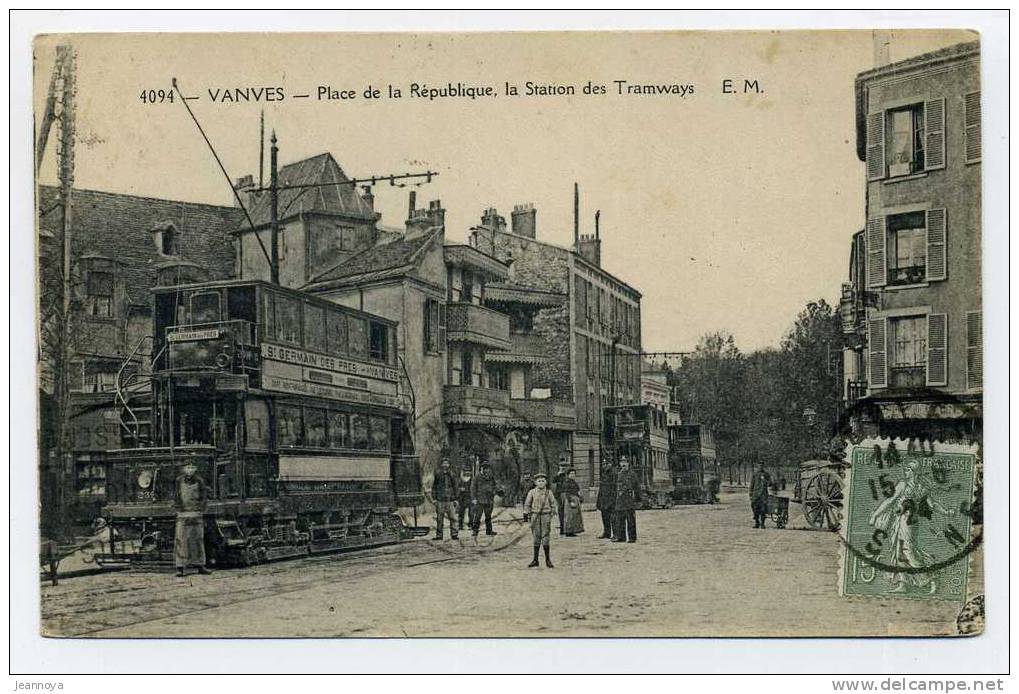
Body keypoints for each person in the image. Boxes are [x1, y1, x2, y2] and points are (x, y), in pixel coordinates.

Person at [174, 463, 211, 577]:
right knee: (181, 540)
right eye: (187, 467)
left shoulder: (200, 481)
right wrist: (178, 509)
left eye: (192, 467)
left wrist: (201, 509)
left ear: (195, 469)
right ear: (183, 469)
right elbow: (176, 496)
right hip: (183, 513)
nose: (190, 470)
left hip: (196, 513)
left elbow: (204, 496)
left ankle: (200, 565)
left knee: (198, 539)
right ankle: (180, 567)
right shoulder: (179, 481)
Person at [522, 472, 558, 568]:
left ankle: (548, 560)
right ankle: (535, 560)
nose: (541, 482)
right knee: (536, 537)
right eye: (539, 481)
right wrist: (526, 513)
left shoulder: (549, 492)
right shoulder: (532, 492)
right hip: (535, 516)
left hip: (546, 516)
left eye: (543, 481)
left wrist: (553, 513)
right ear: (535, 482)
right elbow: (527, 504)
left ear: (546, 482)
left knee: (545, 537)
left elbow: (553, 504)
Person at [612, 456, 641, 543]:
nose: (623, 464)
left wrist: (638, 499)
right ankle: (621, 537)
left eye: (625, 462)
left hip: (629, 499)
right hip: (620, 499)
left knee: (630, 519)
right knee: (619, 519)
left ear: (628, 463)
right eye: (622, 462)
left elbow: (637, 487)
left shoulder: (632, 474)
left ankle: (632, 537)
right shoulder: (619, 474)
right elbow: (615, 486)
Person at [431, 458, 459, 540]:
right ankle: (439, 535)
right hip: (440, 500)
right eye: (444, 463)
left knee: (453, 518)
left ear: (449, 465)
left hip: (450, 500)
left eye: (447, 463)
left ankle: (454, 534)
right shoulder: (438, 474)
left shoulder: (452, 475)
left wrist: (456, 499)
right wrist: (434, 498)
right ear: (441, 465)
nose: (445, 465)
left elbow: (456, 487)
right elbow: (434, 487)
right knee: (440, 519)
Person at [470, 461, 500, 537]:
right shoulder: (477, 477)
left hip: (489, 499)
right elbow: (473, 488)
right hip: (479, 500)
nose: (486, 470)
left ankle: (489, 531)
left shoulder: (491, 477)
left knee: (488, 516)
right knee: (477, 516)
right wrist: (473, 498)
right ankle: (475, 531)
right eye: (484, 468)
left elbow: (495, 485)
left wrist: (496, 491)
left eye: (487, 468)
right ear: (481, 468)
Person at [596, 461, 617, 539]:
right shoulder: (603, 474)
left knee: (613, 518)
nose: (605, 466)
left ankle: (615, 533)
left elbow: (615, 488)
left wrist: (613, 500)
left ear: (610, 464)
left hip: (611, 499)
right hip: (603, 500)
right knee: (604, 516)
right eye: (603, 464)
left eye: (606, 464)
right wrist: (599, 501)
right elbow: (601, 489)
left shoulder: (614, 474)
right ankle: (607, 532)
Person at [561, 468, 585, 536]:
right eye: (571, 474)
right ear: (568, 475)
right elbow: (567, 493)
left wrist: (580, 497)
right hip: (570, 499)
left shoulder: (574, 482)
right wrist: (570, 501)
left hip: (575, 499)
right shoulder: (566, 483)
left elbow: (577, 491)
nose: (572, 475)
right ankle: (568, 531)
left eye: (573, 474)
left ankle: (573, 530)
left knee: (575, 515)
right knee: (569, 516)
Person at [749, 463, 772, 529]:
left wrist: (765, 481)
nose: (760, 467)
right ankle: (757, 522)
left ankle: (762, 524)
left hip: (763, 494)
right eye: (759, 466)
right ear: (757, 466)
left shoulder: (766, 474)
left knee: (763, 509)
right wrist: (750, 493)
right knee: (754, 507)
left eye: (762, 466)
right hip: (755, 494)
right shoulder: (755, 474)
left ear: (763, 467)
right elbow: (752, 484)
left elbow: (770, 483)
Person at [552, 456, 570, 535]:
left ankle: (568, 528)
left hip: (567, 494)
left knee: (568, 511)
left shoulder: (568, 476)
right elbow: (554, 485)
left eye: (564, 466)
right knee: (561, 511)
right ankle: (562, 528)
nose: (563, 468)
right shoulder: (557, 476)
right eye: (561, 466)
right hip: (560, 495)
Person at [456, 465, 474, 531]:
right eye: (466, 471)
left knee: (471, 512)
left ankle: (471, 525)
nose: (467, 472)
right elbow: (457, 487)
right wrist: (460, 489)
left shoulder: (472, 480)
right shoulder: (460, 480)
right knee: (461, 512)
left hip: (470, 497)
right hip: (462, 497)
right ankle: (460, 525)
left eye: (468, 471)